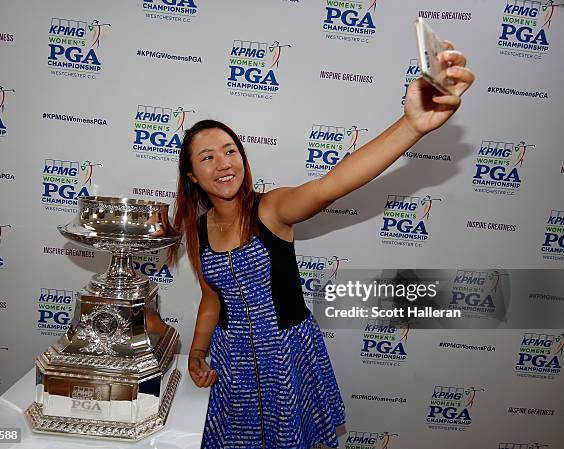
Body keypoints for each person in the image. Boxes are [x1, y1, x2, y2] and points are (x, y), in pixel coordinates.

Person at [168, 43, 474, 449]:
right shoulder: (198, 227)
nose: (224, 163)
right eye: (207, 157)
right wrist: (197, 352)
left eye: (230, 151)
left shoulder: (272, 208)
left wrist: (411, 126)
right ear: (191, 175)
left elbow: (332, 183)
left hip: (288, 356)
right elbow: (211, 298)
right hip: (232, 364)